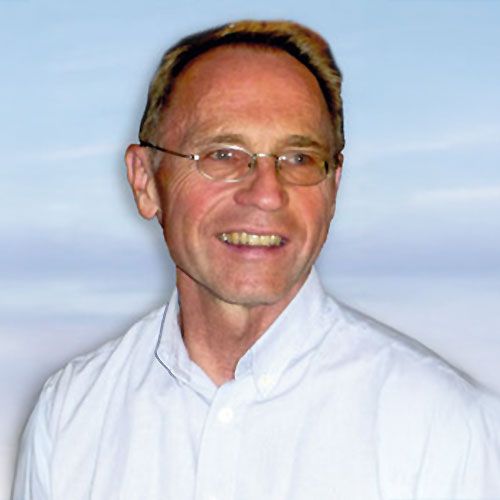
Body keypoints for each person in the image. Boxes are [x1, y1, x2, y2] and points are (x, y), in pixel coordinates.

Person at [12, 20, 500, 500]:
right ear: (145, 182)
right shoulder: (71, 415)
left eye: (299, 159)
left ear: (334, 186)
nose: (267, 193)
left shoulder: (443, 429)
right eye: (223, 155)